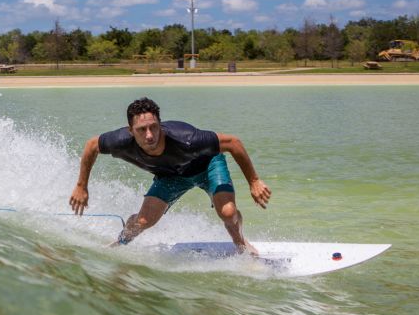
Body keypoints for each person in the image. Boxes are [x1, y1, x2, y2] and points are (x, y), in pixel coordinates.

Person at [69, 97, 271, 253]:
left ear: (160, 124)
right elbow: (91, 146)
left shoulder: (187, 139)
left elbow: (233, 143)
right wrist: (81, 186)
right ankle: (121, 242)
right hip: (170, 176)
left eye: (154, 127)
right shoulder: (120, 141)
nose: (149, 135)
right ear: (130, 131)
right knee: (143, 222)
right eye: (141, 130)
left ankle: (240, 244)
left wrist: (253, 181)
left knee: (227, 212)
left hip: (208, 165)